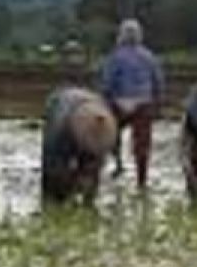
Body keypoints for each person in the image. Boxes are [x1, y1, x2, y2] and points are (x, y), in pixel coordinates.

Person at [100, 18, 164, 189]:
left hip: (119, 103)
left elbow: (107, 83)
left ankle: (118, 163)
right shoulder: (149, 56)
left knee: (111, 133)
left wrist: (105, 101)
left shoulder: (115, 56)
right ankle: (141, 180)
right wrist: (158, 104)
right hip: (144, 103)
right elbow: (158, 82)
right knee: (142, 143)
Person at [41, 87, 118, 207]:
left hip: (74, 118)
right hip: (93, 116)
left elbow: (52, 160)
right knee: (88, 166)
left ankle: (65, 195)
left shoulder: (59, 114)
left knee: (57, 165)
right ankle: (83, 196)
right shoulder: (101, 113)